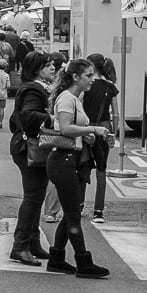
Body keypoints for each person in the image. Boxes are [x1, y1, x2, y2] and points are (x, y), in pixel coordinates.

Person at [43, 58, 110, 278]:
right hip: (62, 160)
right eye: (88, 76)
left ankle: (57, 258)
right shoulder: (67, 99)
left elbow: (74, 129)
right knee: (73, 214)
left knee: (71, 212)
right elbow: (65, 128)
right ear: (75, 77)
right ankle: (83, 262)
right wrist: (94, 129)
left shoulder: (75, 98)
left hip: (70, 160)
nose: (92, 80)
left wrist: (87, 135)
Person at [7, 51, 55, 266]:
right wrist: (53, 118)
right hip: (29, 148)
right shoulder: (34, 89)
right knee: (33, 197)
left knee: (36, 196)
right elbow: (27, 116)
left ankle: (33, 243)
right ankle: (20, 246)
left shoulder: (36, 87)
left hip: (30, 147)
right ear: (36, 69)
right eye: (48, 65)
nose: (53, 68)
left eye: (53, 65)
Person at [82, 53, 119, 224]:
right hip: (105, 128)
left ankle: (80, 205)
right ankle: (98, 211)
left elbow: (78, 107)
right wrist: (114, 133)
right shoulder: (110, 86)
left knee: (82, 165)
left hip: (86, 127)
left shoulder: (85, 85)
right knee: (101, 169)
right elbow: (116, 114)